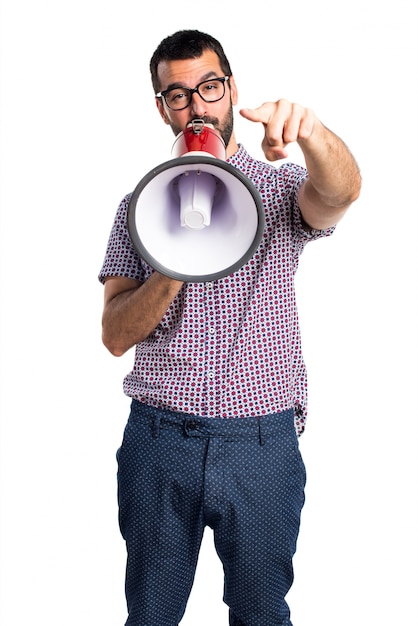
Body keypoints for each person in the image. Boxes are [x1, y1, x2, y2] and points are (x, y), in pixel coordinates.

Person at [99, 29, 361, 626]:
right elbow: (115, 334)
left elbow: (341, 192)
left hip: (261, 444)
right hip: (159, 441)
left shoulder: (275, 188)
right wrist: (173, 261)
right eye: (178, 95)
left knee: (262, 613)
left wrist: (311, 132)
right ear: (162, 107)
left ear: (231, 88)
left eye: (209, 87)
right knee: (152, 614)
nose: (197, 106)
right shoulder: (138, 208)